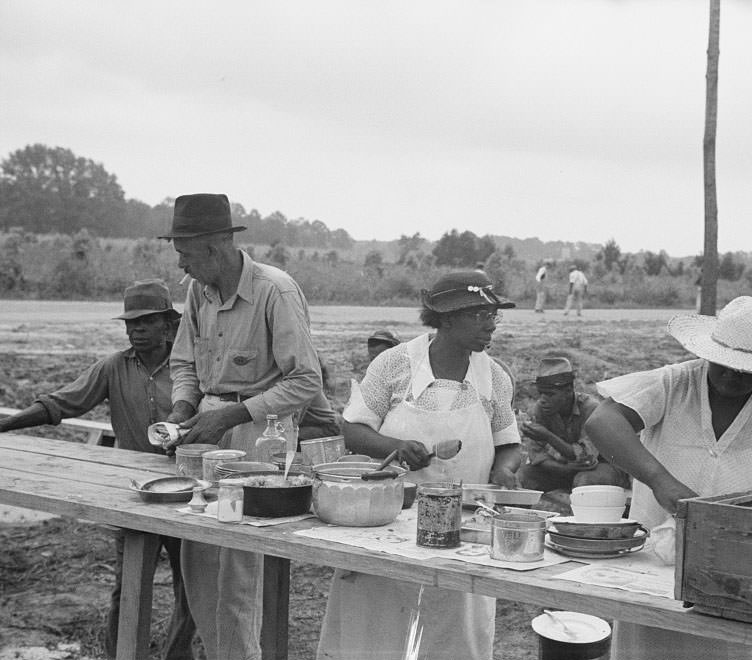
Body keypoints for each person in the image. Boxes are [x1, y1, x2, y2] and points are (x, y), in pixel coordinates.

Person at [585, 296, 752, 660]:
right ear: (709, 352)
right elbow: (602, 422)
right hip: (656, 565)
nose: (732, 376)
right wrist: (660, 480)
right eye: (725, 365)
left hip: (735, 575)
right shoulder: (673, 384)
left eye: (746, 371)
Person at [317, 270, 522, 660]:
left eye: (493, 315)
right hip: (392, 518)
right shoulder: (394, 365)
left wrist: (505, 470)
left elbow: (508, 444)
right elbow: (354, 431)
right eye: (479, 315)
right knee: (377, 621)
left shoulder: (493, 376)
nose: (490, 324)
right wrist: (395, 446)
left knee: (455, 625)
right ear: (445, 319)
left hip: (463, 524)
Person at [157, 193, 323, 660]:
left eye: (185, 255)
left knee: (239, 572)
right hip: (206, 430)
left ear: (213, 248)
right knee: (200, 564)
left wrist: (230, 415)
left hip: (259, 436)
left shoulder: (275, 290)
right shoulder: (198, 292)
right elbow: (184, 361)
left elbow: (306, 381)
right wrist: (182, 408)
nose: (182, 267)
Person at [0, 280, 195, 660]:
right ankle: (120, 654)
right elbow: (61, 404)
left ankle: (179, 654)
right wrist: (4, 425)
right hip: (137, 494)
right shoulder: (112, 368)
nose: (135, 330)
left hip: (187, 492)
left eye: (145, 322)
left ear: (168, 325)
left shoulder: (190, 370)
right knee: (128, 587)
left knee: (190, 586)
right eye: (130, 324)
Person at [518, 357, 630, 493]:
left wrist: (548, 437)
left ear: (568, 390)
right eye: (541, 393)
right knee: (524, 475)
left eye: (550, 394)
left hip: (604, 466)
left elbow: (586, 458)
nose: (543, 400)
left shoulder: (590, 408)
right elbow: (537, 455)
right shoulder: (541, 409)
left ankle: (584, 514)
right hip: (567, 468)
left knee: (584, 481)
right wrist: (563, 469)